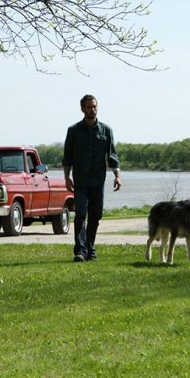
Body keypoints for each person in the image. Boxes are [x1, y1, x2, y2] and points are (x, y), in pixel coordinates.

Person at [63, 94, 121, 262]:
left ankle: (90, 249)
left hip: (98, 181)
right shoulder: (73, 131)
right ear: (82, 109)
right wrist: (67, 178)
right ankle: (79, 251)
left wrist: (117, 176)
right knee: (80, 214)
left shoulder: (106, 130)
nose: (92, 109)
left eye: (94, 106)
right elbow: (68, 157)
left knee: (95, 216)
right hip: (80, 181)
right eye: (89, 107)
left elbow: (112, 156)